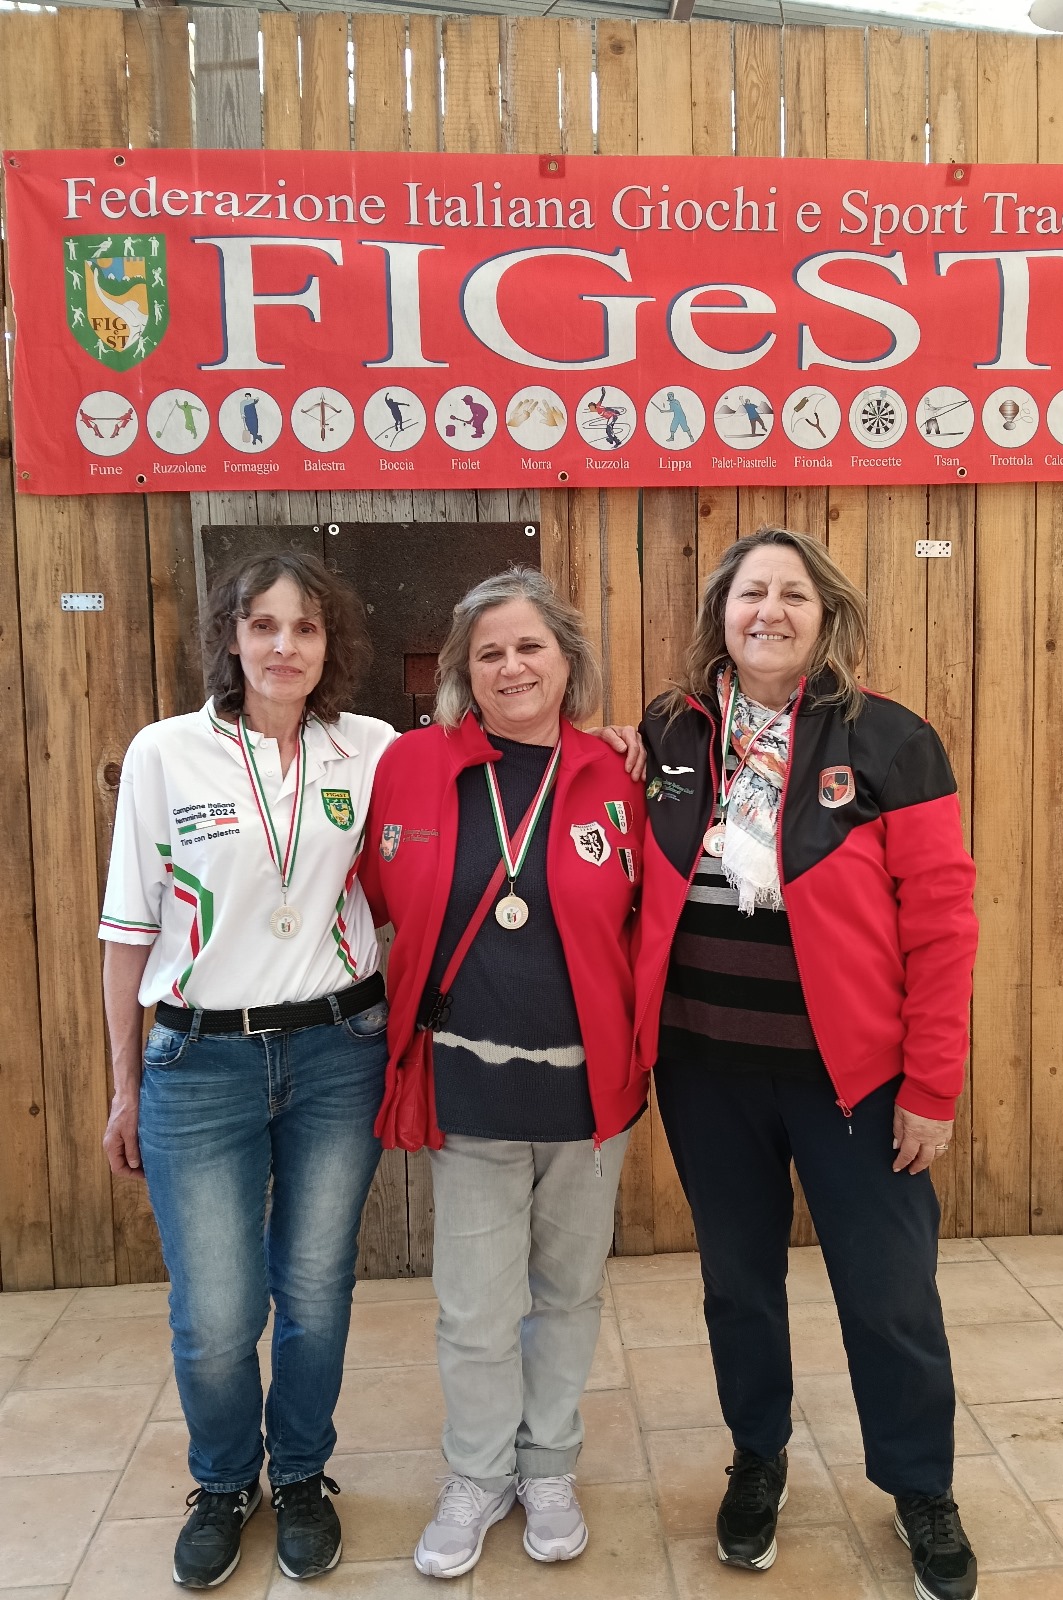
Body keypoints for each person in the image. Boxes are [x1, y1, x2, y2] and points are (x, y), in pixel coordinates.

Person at [633, 528, 980, 1600]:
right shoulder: (670, 730)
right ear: (721, 613)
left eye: (792, 594)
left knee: (888, 1296)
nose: (769, 611)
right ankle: (758, 1457)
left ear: (825, 615)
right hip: (705, 1070)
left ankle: (920, 1487)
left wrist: (931, 1086)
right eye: (751, 593)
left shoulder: (890, 739)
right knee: (738, 1286)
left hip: (855, 1083)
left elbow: (943, 924)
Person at [100, 551, 395, 1589]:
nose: (283, 645)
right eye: (262, 624)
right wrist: (126, 1085)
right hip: (200, 1060)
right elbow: (127, 932)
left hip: (337, 1051)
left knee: (315, 1289)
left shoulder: (371, 748)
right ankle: (225, 1481)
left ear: (330, 643)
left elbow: (488, 756)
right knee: (217, 1311)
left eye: (305, 627)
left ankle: (302, 1474)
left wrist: (609, 742)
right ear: (230, 635)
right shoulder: (166, 753)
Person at [360, 568, 646, 1581]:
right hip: (466, 1089)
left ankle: (548, 1465)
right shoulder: (409, 766)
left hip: (589, 1095)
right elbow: (367, 892)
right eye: (489, 652)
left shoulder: (620, 775)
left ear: (568, 660)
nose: (511, 666)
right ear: (461, 671)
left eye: (531, 646)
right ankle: (478, 1473)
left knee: (567, 1293)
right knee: (475, 1307)